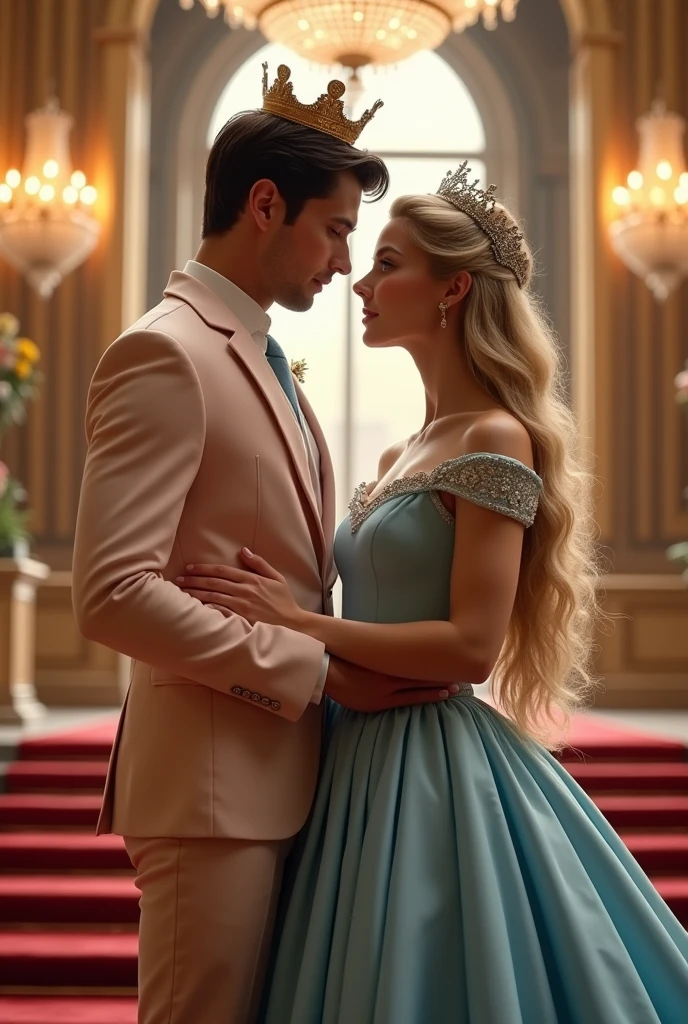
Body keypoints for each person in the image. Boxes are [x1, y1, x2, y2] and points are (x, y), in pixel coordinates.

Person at [177, 163, 688, 1023]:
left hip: (434, 765)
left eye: (387, 264)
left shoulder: (496, 438)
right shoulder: (401, 452)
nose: (360, 284)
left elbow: (470, 647)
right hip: (347, 749)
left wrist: (300, 623)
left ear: (452, 288)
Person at [72, 64, 452, 1024]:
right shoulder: (167, 351)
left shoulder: (254, 350)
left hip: (286, 776)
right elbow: (112, 592)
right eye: (335, 232)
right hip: (214, 795)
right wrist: (312, 671)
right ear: (266, 204)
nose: (342, 264)